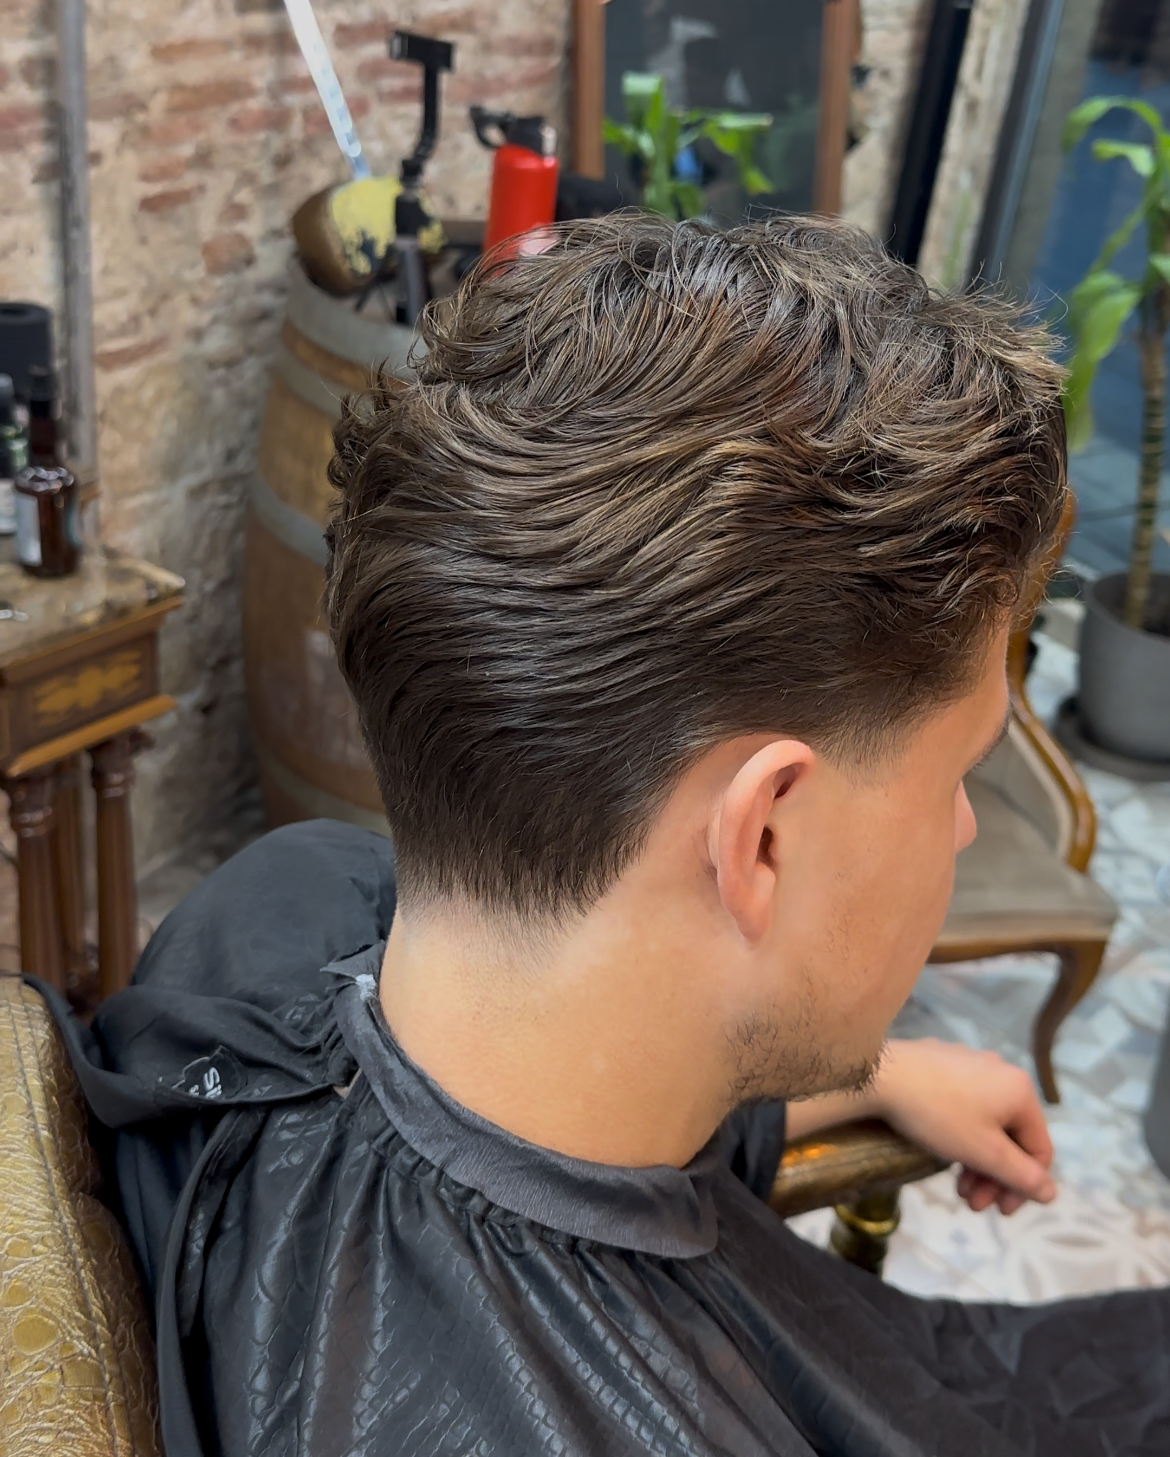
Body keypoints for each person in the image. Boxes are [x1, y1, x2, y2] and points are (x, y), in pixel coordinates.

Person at [43, 215, 1170, 1457]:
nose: (962, 822)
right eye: (958, 767)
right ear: (764, 837)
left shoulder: (282, 904)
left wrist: (881, 1069)